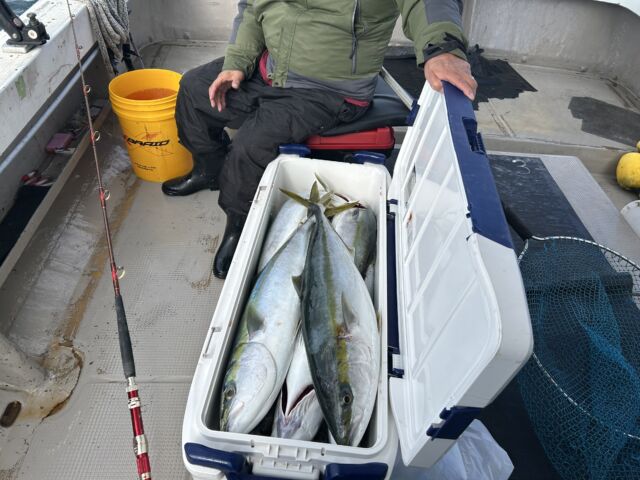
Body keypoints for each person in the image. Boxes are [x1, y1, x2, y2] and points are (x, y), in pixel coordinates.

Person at [164, 0, 477, 279]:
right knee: (193, 88)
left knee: (251, 143)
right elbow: (251, 7)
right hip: (270, 68)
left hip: (329, 89)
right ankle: (209, 168)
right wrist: (237, 61)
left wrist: (442, 48)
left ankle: (239, 224)